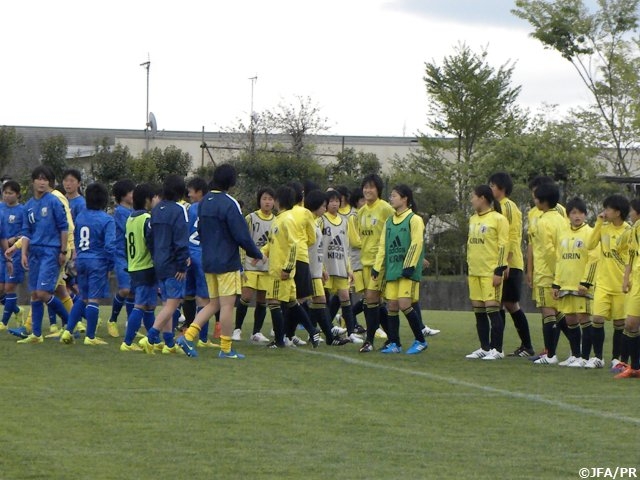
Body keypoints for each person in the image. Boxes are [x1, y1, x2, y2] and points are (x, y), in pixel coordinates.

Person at [177, 164, 264, 359]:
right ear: (231, 182)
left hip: (208, 259)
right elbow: (240, 233)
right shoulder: (229, 202)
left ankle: (188, 336)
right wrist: (255, 252)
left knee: (212, 303)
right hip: (226, 261)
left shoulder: (204, 202)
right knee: (226, 306)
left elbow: (200, 231)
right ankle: (225, 349)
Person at [13, 166, 69, 344]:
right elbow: (26, 232)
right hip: (34, 253)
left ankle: (70, 322)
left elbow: (64, 227)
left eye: (46, 179)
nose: (42, 182)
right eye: (39, 179)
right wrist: (23, 254)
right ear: (33, 181)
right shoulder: (28, 206)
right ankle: (36, 335)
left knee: (43, 292)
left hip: (50, 251)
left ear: (49, 183)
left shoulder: (53, 201)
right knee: (35, 295)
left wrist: (63, 251)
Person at [373, 184, 429, 354]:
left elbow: (416, 242)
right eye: (391, 195)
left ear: (405, 199)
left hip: (407, 271)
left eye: (395, 195)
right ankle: (395, 343)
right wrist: (377, 267)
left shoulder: (414, 219)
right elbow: (383, 245)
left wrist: (410, 265)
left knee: (405, 304)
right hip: (392, 270)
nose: (391, 198)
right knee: (392, 305)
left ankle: (420, 340)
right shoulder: (389, 221)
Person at [139, 175, 190, 355]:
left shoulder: (156, 209)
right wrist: (182, 265)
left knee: (167, 302)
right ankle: (151, 337)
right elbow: (181, 239)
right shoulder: (179, 210)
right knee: (173, 304)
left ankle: (168, 344)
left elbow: (149, 236)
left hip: (159, 261)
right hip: (173, 264)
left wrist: (155, 255)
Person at [60, 182, 116, 345]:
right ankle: (90, 337)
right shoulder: (107, 220)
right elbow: (110, 246)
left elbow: (76, 238)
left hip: (81, 260)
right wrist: (110, 266)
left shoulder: (81, 217)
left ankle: (68, 331)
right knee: (93, 299)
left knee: (82, 297)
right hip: (97, 261)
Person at [489, 172, 534, 357]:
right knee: (501, 303)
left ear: (502, 188)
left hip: (510, 262)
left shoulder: (507, 206)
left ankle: (525, 345)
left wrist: (505, 262)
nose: (490, 189)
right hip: (504, 261)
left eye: (492, 186)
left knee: (509, 303)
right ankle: (496, 346)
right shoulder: (499, 206)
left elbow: (510, 235)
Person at [585, 194, 631, 369]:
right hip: (603, 283)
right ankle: (598, 357)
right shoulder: (603, 228)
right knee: (597, 318)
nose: (605, 212)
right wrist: (598, 223)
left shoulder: (628, 231)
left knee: (620, 323)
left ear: (617, 212)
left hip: (621, 285)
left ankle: (616, 358)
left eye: (608, 209)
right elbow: (590, 245)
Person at [551, 197, 597, 367]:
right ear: (568, 215)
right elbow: (559, 260)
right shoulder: (563, 234)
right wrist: (556, 284)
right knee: (570, 320)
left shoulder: (591, 233)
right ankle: (575, 355)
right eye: (574, 213)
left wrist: (586, 283)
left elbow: (594, 260)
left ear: (585, 215)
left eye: (581, 213)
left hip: (581, 286)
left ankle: (585, 357)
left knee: (584, 319)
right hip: (565, 284)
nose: (577, 216)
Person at [464, 185, 508, 360]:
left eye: (473, 196)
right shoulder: (473, 219)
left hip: (490, 272)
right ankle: (484, 347)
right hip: (474, 271)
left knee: (492, 310)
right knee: (479, 311)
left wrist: (499, 270)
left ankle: (497, 349)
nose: (471, 200)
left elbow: (504, 245)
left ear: (482, 198)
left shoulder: (498, 219)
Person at [528, 182, 567, 365]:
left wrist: (555, 274)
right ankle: (577, 348)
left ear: (542, 201)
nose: (534, 200)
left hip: (547, 273)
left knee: (548, 312)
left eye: (536, 197)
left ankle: (550, 355)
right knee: (558, 312)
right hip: (560, 271)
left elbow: (549, 251)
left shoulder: (543, 222)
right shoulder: (561, 218)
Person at [305, 189, 349, 346]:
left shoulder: (315, 221)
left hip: (316, 270)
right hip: (307, 269)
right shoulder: (309, 221)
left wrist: (322, 268)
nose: (325, 209)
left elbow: (318, 247)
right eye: (323, 205)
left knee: (320, 300)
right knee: (295, 303)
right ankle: (288, 334)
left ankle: (325, 335)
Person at [357, 174, 394, 352]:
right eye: (365, 187)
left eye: (371, 187)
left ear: (378, 190)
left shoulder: (385, 208)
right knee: (373, 302)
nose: (367, 190)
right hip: (364, 262)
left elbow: (397, 228)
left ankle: (369, 341)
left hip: (379, 262)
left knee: (371, 299)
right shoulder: (362, 211)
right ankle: (393, 338)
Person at [233, 187, 275, 344]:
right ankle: (237, 329)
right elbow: (243, 240)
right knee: (246, 296)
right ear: (259, 200)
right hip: (250, 264)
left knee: (262, 300)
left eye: (270, 199)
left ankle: (256, 332)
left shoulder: (276, 220)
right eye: (264, 198)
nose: (267, 202)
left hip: (266, 266)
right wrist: (242, 263)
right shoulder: (250, 218)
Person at [119, 183, 159, 352]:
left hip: (135, 265)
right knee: (140, 305)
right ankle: (127, 343)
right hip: (146, 267)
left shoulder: (131, 218)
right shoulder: (146, 219)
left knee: (150, 306)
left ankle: (153, 340)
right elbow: (151, 243)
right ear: (148, 200)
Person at [323, 189, 361, 344]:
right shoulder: (321, 220)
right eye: (331, 201)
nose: (334, 204)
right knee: (321, 300)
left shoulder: (345, 221)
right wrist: (321, 268)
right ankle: (322, 329)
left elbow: (346, 247)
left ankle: (351, 332)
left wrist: (349, 268)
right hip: (326, 267)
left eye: (337, 201)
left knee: (345, 297)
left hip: (340, 266)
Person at [184, 176, 216, 348]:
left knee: (186, 295)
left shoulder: (189, 209)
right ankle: (202, 338)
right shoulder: (208, 207)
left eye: (191, 191)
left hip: (188, 253)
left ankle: (187, 329)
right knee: (204, 298)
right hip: (202, 255)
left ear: (199, 192)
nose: (189, 195)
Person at [107, 179, 136, 337]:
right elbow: (128, 230)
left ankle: (131, 326)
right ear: (122, 195)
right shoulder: (119, 212)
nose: (133, 195)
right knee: (125, 289)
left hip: (133, 256)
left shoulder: (133, 211)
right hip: (121, 255)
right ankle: (112, 320)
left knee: (132, 292)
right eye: (130, 192)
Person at [617, 198, 640, 378]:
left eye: (632, 211)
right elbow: (627, 253)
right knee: (631, 323)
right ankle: (635, 367)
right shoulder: (633, 230)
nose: (630, 214)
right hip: (637, 282)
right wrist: (626, 278)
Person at [0, 181, 25, 331]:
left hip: (15, 253)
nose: (7, 195)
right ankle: (17, 310)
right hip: (1, 253)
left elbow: (27, 232)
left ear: (17, 194)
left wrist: (14, 239)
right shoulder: (0, 208)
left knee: (9, 287)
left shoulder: (22, 210)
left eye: (10, 193)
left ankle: (3, 322)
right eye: (5, 192)